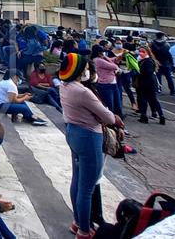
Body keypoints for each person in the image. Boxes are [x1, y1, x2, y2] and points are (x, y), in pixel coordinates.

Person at [59, 53, 123, 239]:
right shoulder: (82, 91)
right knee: (87, 188)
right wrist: (115, 119)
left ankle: (78, 222)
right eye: (86, 68)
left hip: (73, 133)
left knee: (77, 180)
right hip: (88, 136)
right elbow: (107, 117)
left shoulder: (64, 86)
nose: (88, 71)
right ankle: (84, 231)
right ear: (79, 70)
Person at [135, 45, 165, 125]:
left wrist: (139, 72)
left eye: (143, 52)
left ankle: (145, 116)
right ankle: (160, 116)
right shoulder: (145, 60)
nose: (140, 53)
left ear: (147, 53)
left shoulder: (147, 61)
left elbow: (148, 72)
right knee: (152, 100)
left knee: (146, 99)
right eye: (140, 51)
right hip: (149, 83)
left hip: (147, 83)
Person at [92, 46, 122, 117]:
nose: (103, 53)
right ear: (98, 53)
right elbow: (114, 66)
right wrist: (116, 65)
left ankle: (117, 119)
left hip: (113, 83)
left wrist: (119, 57)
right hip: (105, 85)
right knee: (110, 105)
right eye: (102, 52)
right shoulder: (97, 60)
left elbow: (112, 60)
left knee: (117, 105)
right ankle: (110, 121)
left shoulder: (103, 58)